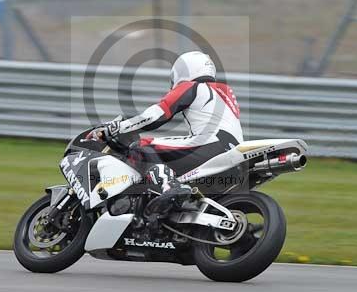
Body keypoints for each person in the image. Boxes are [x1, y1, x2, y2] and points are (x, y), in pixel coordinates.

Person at [91, 51, 243, 222]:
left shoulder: (190, 87)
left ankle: (170, 187)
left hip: (210, 144)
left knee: (141, 147)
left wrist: (116, 127)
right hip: (233, 151)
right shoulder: (226, 91)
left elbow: (158, 114)